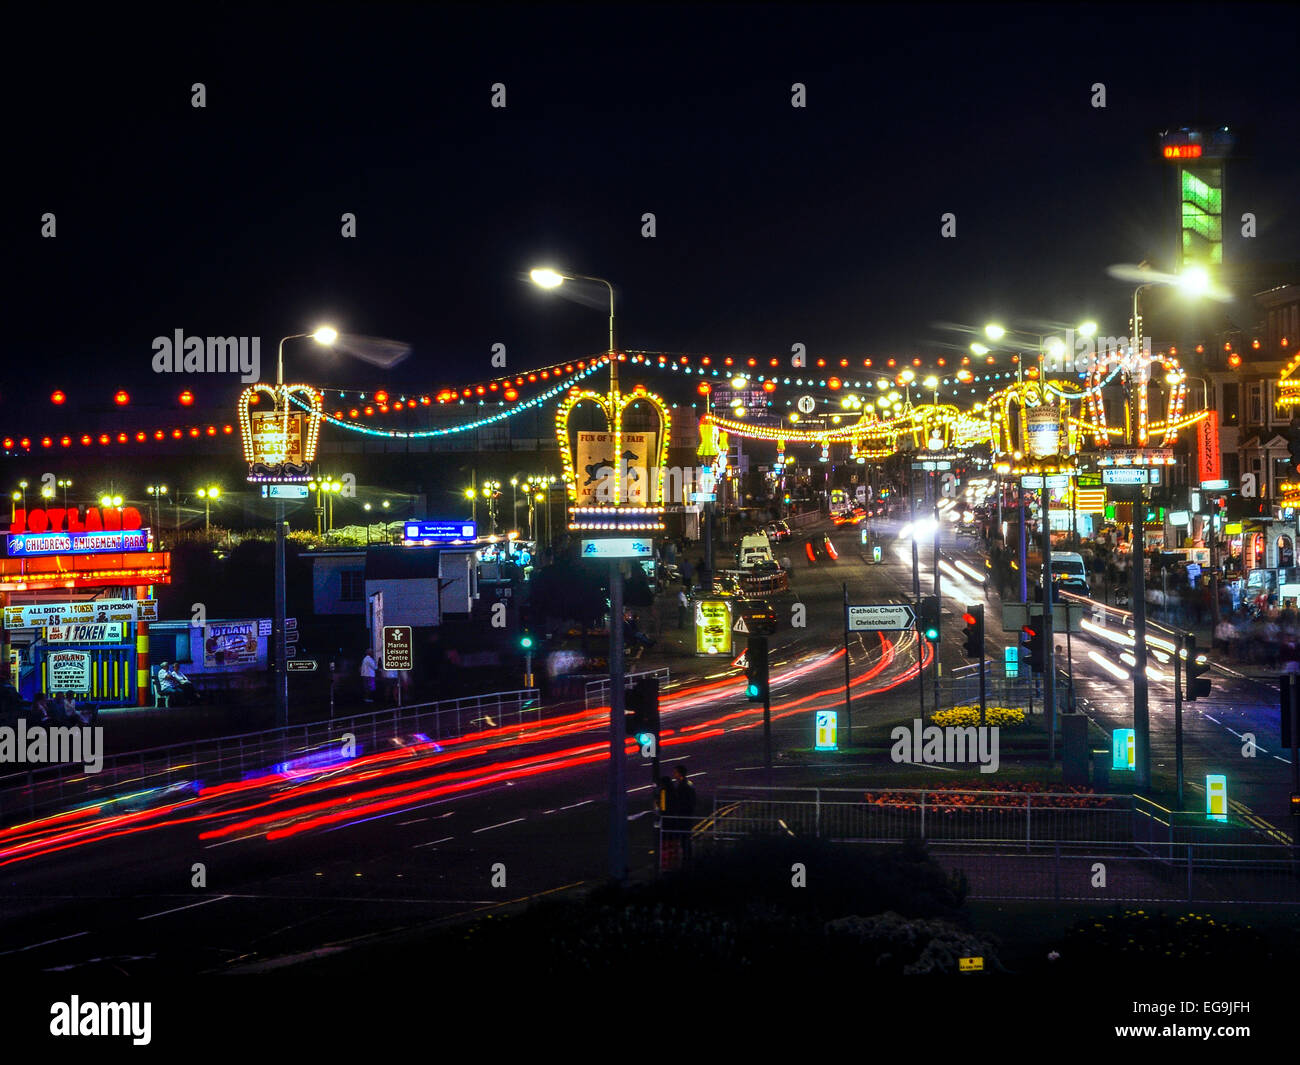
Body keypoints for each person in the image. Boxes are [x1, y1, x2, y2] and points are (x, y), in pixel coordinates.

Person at [663, 765, 697, 861]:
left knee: (684, 837)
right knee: (686, 836)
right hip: (688, 814)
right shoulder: (688, 783)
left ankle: (687, 858)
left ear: (680, 773)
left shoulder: (683, 786)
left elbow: (680, 801)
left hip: (684, 815)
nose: (674, 775)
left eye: (675, 772)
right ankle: (687, 856)